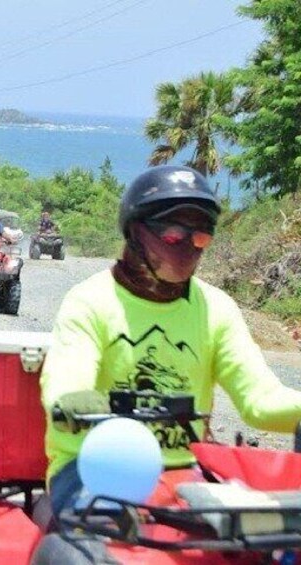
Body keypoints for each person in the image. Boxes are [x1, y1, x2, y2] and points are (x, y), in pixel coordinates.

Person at [38, 164, 301, 524]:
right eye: (175, 235)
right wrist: (72, 402)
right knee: (108, 543)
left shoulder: (216, 308)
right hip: (97, 468)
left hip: (186, 470)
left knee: (268, 539)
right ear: (135, 230)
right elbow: (66, 380)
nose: (188, 248)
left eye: (201, 238)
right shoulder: (91, 300)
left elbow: (261, 401)